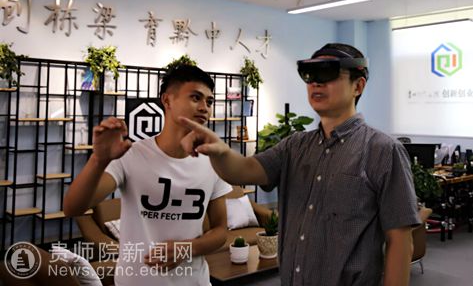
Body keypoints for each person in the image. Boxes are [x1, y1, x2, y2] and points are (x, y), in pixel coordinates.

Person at [179, 43, 420, 286]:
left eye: (328, 73)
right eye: (309, 75)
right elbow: (243, 170)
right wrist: (219, 151)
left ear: (358, 86)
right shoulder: (294, 146)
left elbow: (400, 241)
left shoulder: (383, 151)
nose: (316, 83)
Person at [64, 65, 232, 286]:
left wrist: (187, 248)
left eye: (209, 102)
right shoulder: (131, 154)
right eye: (195, 97)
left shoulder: (213, 160)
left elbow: (220, 230)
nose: (204, 108)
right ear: (167, 100)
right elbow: (73, 208)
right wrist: (98, 160)